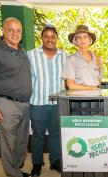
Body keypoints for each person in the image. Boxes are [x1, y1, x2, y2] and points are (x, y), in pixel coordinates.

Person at [0, 17, 32, 177]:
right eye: (10, 29)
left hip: (24, 104)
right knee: (9, 144)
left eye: (18, 30)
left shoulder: (22, 52)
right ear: (3, 31)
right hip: (5, 104)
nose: (14, 33)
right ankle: (13, 174)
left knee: (21, 142)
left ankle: (17, 169)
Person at [27, 25, 67, 176]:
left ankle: (55, 161)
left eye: (53, 36)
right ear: (41, 38)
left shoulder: (64, 55)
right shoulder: (31, 55)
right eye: (46, 36)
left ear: (57, 39)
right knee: (38, 134)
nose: (50, 39)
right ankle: (37, 163)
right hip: (38, 102)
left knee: (56, 133)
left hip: (58, 103)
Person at [62, 25, 102, 90]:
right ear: (76, 41)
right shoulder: (70, 60)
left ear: (89, 40)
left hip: (97, 97)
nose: (82, 40)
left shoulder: (98, 59)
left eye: (85, 37)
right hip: (79, 98)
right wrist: (93, 88)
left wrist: (97, 90)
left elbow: (99, 81)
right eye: (79, 37)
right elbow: (71, 86)